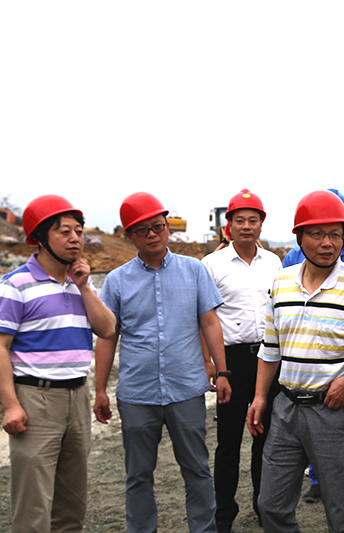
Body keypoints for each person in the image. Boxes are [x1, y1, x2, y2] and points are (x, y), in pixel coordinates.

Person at [247, 190, 344, 533]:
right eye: (317, 234)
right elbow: (270, 348)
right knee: (270, 505)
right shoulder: (281, 284)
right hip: (286, 409)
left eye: (335, 234)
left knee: (340, 514)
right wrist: (260, 396)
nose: (327, 243)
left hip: (334, 412)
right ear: (300, 237)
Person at [93, 192, 231, 533]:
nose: (153, 235)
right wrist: (100, 390)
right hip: (137, 394)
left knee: (197, 469)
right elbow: (107, 336)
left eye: (158, 226)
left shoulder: (194, 270)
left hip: (186, 389)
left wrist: (222, 371)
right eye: (143, 230)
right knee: (138, 475)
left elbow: (210, 322)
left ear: (167, 227)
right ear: (129, 235)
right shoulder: (116, 281)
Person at [0, 195, 116, 533]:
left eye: (79, 232)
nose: (76, 239)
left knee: (72, 504)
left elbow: (107, 329)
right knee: (33, 505)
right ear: (41, 238)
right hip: (36, 399)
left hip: (77, 397)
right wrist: (11, 405)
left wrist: (84, 286)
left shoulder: (81, 283)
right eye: (64, 232)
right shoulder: (15, 285)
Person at [201, 189, 282, 532]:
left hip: (269, 358)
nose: (246, 226)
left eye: (252, 220)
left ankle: (265, 508)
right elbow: (203, 317)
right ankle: (223, 514)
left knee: (267, 439)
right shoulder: (211, 265)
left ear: (261, 224)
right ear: (229, 225)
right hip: (231, 361)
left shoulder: (274, 263)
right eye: (239, 220)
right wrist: (211, 364)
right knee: (229, 441)